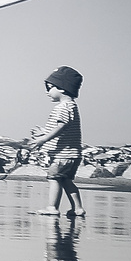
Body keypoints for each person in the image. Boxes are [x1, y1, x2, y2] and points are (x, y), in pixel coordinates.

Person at [27, 66, 85, 217]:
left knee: (54, 178)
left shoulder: (62, 107)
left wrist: (43, 139)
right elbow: (62, 128)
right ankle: (78, 208)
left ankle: (52, 207)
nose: (47, 92)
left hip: (62, 155)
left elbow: (61, 126)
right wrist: (43, 132)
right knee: (66, 181)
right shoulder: (71, 106)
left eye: (50, 88)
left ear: (63, 88)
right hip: (73, 154)